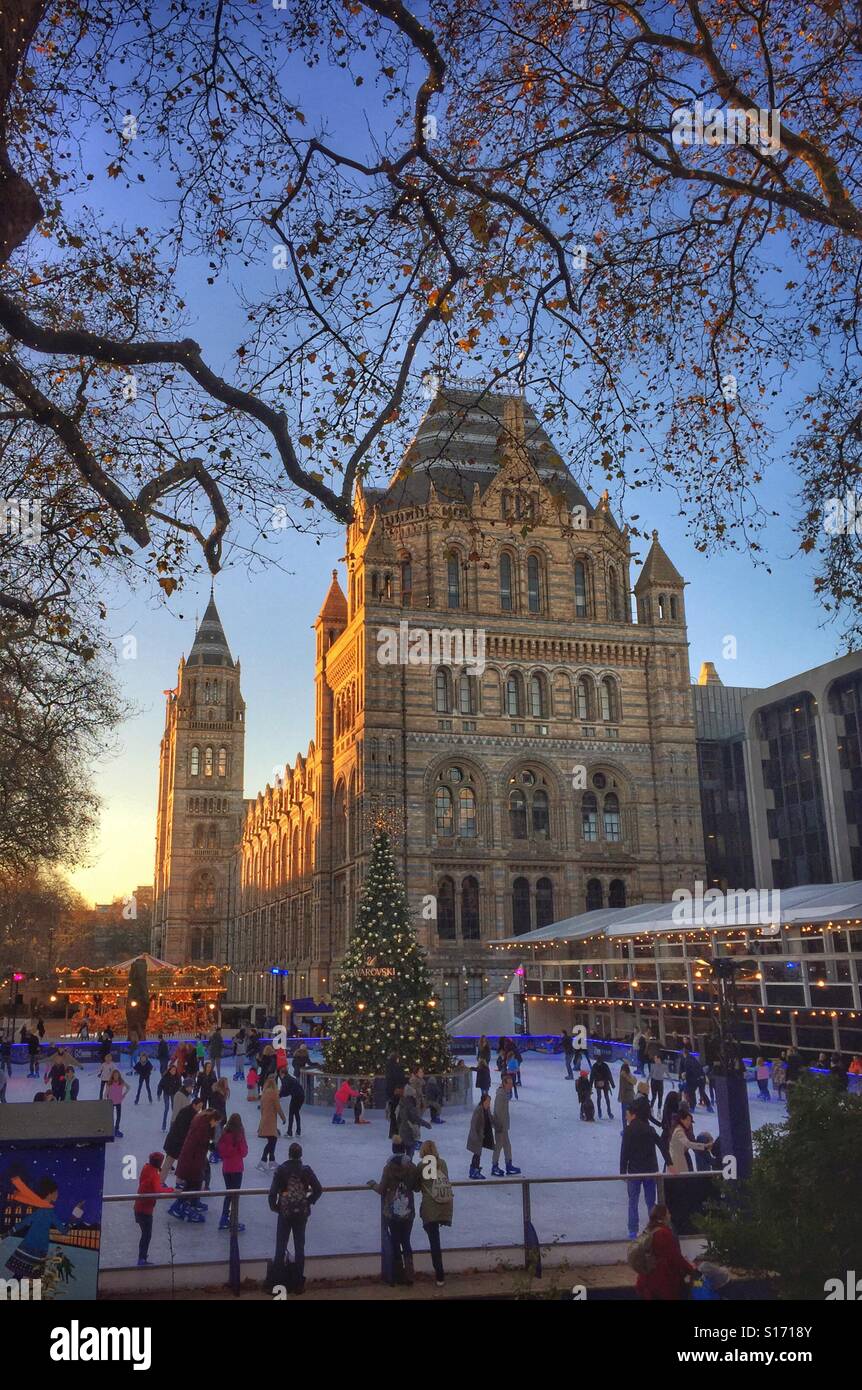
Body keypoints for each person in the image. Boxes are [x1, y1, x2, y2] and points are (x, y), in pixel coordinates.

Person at [269, 1141, 323, 1294]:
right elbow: (318, 1189)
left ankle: (277, 1284)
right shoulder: (306, 1171)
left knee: (280, 1247)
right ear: (301, 1155)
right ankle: (298, 1283)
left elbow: (272, 1193)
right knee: (300, 1247)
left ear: (288, 1154)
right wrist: (308, 1201)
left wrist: (275, 1207)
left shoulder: (281, 1170)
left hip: (284, 1212)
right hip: (301, 1212)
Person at [368, 1140, 420, 1286]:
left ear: (392, 1149)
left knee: (395, 1242)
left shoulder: (388, 1168)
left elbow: (381, 1189)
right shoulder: (412, 1167)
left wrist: (372, 1184)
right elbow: (416, 1187)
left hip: (392, 1211)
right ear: (404, 1150)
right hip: (408, 1209)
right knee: (406, 1241)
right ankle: (410, 1275)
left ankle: (397, 1275)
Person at [620, 1095, 666, 1239]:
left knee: (633, 1202)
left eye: (627, 1114)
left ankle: (633, 1231)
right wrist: (669, 1162)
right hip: (650, 1171)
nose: (626, 1117)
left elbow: (624, 1152)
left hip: (634, 1172)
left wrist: (623, 1172)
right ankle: (654, 1228)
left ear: (633, 1114)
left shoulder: (629, 1130)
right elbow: (661, 1145)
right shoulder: (648, 1129)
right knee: (651, 1202)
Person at [633, 1204, 698, 1301]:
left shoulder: (648, 1231)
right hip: (662, 1283)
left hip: (646, 1281)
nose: (670, 1215)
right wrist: (692, 1269)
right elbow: (675, 1259)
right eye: (668, 1213)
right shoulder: (663, 1233)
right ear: (663, 1216)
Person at [170, 1108, 219, 1222]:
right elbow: (200, 1144)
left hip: (192, 1160)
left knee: (192, 1183)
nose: (216, 1124)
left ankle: (185, 1205)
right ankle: (184, 1206)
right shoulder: (203, 1128)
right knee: (193, 1184)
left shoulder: (201, 1123)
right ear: (212, 1119)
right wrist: (211, 1145)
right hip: (192, 1161)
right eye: (216, 1122)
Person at [418, 1139, 453, 1287]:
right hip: (443, 1205)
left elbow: (415, 1185)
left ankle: (440, 1274)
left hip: (430, 1207)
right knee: (435, 1239)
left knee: (434, 1240)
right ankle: (440, 1275)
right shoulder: (443, 1163)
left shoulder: (421, 1166)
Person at [134, 1151, 173, 1266]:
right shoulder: (154, 1174)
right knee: (147, 1235)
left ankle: (142, 1257)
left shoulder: (146, 1168)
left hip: (138, 1206)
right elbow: (158, 1190)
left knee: (145, 1234)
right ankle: (142, 1258)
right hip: (145, 1209)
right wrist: (171, 1190)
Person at [217, 1113, 248, 1232]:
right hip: (237, 1168)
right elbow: (244, 1152)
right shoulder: (239, 1134)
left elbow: (221, 1151)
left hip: (226, 1169)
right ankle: (234, 1220)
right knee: (235, 1196)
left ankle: (224, 1218)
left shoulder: (224, 1134)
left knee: (228, 1194)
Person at [161, 1094, 203, 1181]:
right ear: (194, 1105)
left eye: (201, 1107)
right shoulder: (190, 1114)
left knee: (171, 1163)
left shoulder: (187, 1111)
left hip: (175, 1141)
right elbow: (184, 1130)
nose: (200, 1109)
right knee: (172, 1163)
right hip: (177, 1143)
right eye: (199, 1107)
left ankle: (162, 1181)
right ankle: (164, 1182)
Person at [491, 1073, 521, 1177]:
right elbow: (498, 1111)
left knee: (507, 1145)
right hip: (500, 1126)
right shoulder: (501, 1095)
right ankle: (494, 1166)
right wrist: (500, 1126)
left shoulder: (504, 1092)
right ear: (504, 1083)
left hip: (503, 1126)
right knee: (499, 1146)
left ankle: (509, 1165)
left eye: (512, 1083)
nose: (511, 1085)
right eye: (509, 1083)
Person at [257, 1076, 285, 1170]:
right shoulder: (273, 1094)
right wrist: (283, 1117)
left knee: (272, 1140)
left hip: (265, 1119)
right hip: (270, 1120)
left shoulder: (264, 1094)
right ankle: (263, 1160)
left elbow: (261, 1108)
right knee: (272, 1141)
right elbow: (278, 1107)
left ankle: (272, 1160)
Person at [397, 1081, 430, 1156]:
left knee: (404, 1154)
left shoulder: (402, 1102)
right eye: (414, 1094)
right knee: (409, 1153)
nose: (415, 1095)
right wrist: (426, 1124)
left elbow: (398, 1118)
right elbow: (415, 1118)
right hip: (409, 1131)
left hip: (402, 1130)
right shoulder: (410, 1105)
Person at [157, 1063, 182, 1131]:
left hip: (173, 1094)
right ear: (170, 1070)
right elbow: (160, 1085)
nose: (173, 1071)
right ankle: (164, 1125)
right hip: (166, 1093)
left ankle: (174, 1125)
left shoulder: (178, 1077)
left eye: (174, 1070)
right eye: (172, 1070)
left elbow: (180, 1087)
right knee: (166, 1108)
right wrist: (159, 1093)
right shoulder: (165, 1077)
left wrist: (180, 1094)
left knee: (174, 1109)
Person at [108, 1069, 129, 1137]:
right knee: (111, 1116)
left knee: (118, 1116)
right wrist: (106, 1098)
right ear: (112, 1076)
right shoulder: (110, 1082)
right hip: (111, 1101)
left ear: (119, 1076)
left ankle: (116, 1129)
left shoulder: (121, 1082)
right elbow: (106, 1092)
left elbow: (128, 1087)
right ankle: (110, 1129)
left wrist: (124, 1094)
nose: (115, 1076)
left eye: (117, 1075)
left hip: (118, 1102)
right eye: (114, 1075)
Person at [618, 1061, 636, 1134]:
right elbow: (635, 1082)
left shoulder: (622, 1076)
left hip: (625, 1098)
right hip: (631, 1096)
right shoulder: (630, 1076)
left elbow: (622, 1088)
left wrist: (620, 1098)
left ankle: (625, 1131)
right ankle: (632, 1130)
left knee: (625, 1116)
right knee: (631, 1115)